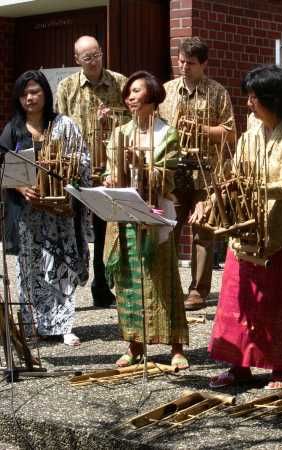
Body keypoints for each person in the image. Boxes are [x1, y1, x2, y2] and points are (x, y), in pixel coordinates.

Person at [204, 65, 282, 390]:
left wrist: (246, 183)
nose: (248, 103)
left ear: (272, 99)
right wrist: (218, 194)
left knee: (278, 303)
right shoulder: (249, 136)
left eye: (254, 97)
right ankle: (239, 366)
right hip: (245, 231)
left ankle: (278, 368)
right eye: (248, 96)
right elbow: (235, 174)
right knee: (238, 303)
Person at [104, 71, 189, 369]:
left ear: (152, 96)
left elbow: (165, 176)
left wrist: (140, 163)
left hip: (155, 214)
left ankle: (176, 346)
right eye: (127, 93)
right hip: (125, 215)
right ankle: (134, 344)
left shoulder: (167, 133)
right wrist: (112, 177)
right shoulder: (119, 133)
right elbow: (111, 171)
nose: (129, 97)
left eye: (136, 91)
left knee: (162, 278)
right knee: (129, 281)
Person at [0, 70, 90, 346]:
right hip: (28, 213)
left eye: (35, 91)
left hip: (59, 212)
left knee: (61, 264)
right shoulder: (13, 129)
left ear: (45, 94)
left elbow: (83, 160)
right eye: (25, 93)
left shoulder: (64, 125)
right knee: (30, 269)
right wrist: (19, 187)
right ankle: (34, 326)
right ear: (18, 97)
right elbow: (2, 165)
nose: (30, 97)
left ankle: (64, 325)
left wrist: (65, 168)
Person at [158, 37, 236, 311]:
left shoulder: (217, 92)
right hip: (174, 170)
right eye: (180, 62)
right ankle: (168, 286)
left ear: (204, 64)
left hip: (205, 172)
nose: (184, 67)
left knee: (203, 232)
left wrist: (200, 129)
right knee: (170, 228)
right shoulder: (166, 91)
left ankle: (198, 291)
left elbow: (230, 134)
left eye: (190, 63)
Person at [56, 35, 128, 308]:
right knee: (73, 230)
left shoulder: (120, 83)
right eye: (87, 57)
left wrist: (114, 117)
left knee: (104, 231)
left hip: (109, 169)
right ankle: (70, 289)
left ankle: (102, 285)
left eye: (97, 54)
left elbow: (133, 121)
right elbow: (59, 128)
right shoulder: (67, 87)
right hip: (77, 170)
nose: (94, 60)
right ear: (77, 60)